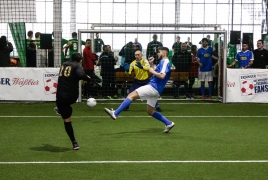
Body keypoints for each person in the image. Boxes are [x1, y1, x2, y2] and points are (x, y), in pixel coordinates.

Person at [104, 47, 175, 133]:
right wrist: (151, 64)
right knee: (150, 111)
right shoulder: (163, 62)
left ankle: (115, 113)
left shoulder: (165, 62)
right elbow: (156, 72)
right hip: (156, 89)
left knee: (131, 95)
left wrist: (150, 70)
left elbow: (161, 76)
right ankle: (168, 123)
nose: (157, 54)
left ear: (164, 53)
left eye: (159, 52)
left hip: (153, 87)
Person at [55, 52, 91, 150]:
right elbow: (81, 75)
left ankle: (74, 143)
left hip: (59, 96)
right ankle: (61, 109)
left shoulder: (64, 64)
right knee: (68, 110)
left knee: (67, 120)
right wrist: (88, 78)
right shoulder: (77, 66)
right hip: (71, 96)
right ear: (80, 60)